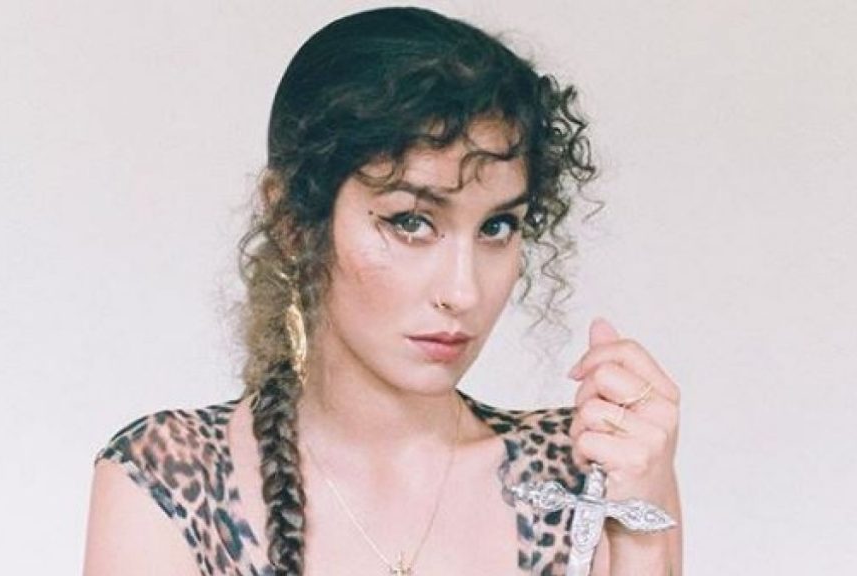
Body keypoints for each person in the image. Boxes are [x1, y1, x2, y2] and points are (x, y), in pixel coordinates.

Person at [82, 7, 682, 576]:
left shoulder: (583, 475)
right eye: (411, 222)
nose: (463, 291)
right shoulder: (169, 476)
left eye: (497, 227)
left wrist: (642, 539)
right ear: (293, 222)